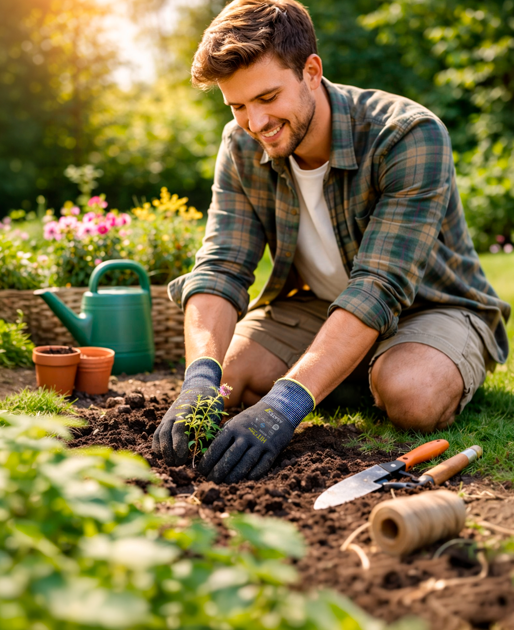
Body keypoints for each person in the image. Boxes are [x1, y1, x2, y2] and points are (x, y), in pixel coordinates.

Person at [152, 0, 510, 484]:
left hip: (432, 306)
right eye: (238, 106)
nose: (255, 123)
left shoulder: (407, 135)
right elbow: (221, 267)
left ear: (311, 71)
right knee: (225, 376)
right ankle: (345, 370)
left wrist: (287, 402)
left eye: (267, 97)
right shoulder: (240, 146)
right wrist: (199, 376)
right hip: (320, 305)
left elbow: (379, 286)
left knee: (412, 394)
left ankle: (383, 371)